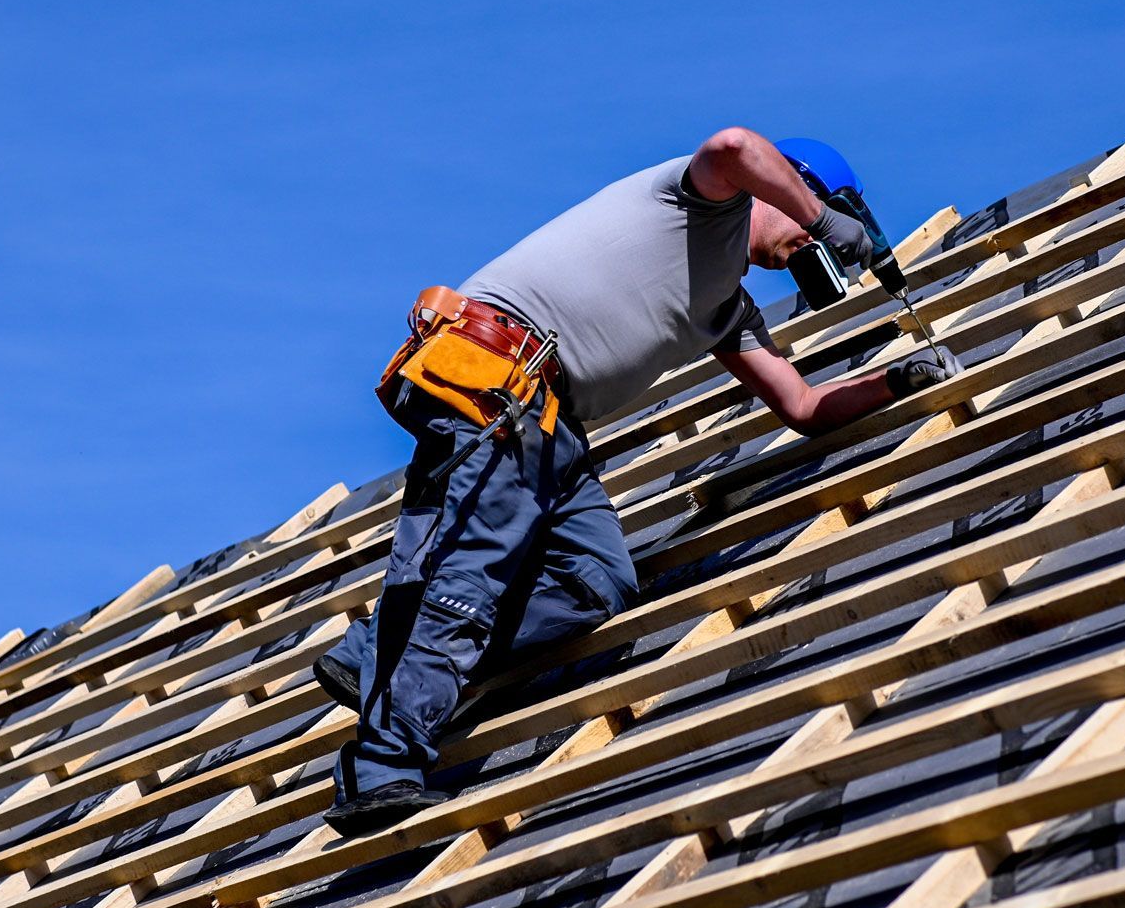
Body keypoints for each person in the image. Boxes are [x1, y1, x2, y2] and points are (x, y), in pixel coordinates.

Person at [315, 129, 958, 835]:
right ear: (792, 187)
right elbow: (735, 145)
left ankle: (378, 653)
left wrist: (896, 379)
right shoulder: (704, 201)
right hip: (497, 377)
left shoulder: (726, 309)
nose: (810, 250)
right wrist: (825, 217)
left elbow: (802, 407)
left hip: (546, 420)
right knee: (473, 576)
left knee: (598, 580)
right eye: (810, 222)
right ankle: (380, 768)